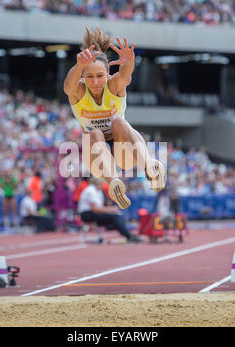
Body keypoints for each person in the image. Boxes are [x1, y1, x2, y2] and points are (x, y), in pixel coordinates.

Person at [63, 26, 165, 210]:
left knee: (119, 122)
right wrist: (78, 66)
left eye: (100, 76)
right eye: (89, 77)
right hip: (97, 158)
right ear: (83, 77)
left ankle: (149, 167)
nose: (95, 82)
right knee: (94, 133)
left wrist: (129, 63)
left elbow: (125, 75)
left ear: (108, 74)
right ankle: (114, 184)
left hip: (122, 149)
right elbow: (67, 88)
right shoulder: (78, 90)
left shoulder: (114, 85)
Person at [78, 176, 142, 243]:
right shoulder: (90, 191)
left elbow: (99, 207)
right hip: (86, 214)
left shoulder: (97, 191)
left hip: (92, 213)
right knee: (114, 217)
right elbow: (95, 209)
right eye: (102, 183)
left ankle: (126, 233)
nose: (103, 185)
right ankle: (128, 236)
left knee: (116, 216)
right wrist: (110, 210)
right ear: (98, 183)